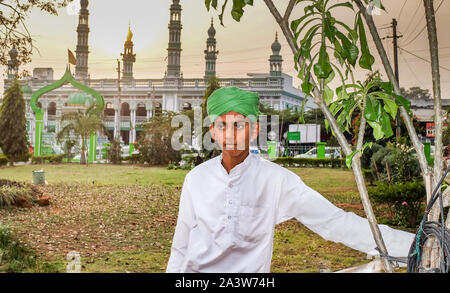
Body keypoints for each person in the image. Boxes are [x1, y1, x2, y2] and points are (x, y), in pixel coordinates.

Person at [166, 86, 414, 273]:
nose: (229, 134)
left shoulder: (275, 180)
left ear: (254, 130)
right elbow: (181, 246)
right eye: (221, 125)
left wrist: (415, 247)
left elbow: (334, 222)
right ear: (212, 131)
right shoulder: (196, 179)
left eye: (238, 125)